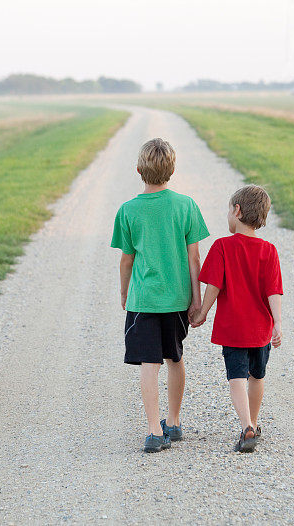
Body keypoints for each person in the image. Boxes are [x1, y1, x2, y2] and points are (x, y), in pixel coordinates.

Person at [111, 138, 210, 453]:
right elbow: (195, 259)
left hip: (144, 301)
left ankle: (155, 431)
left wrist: (125, 292)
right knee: (175, 357)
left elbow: (126, 260)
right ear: (172, 170)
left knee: (149, 364)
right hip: (177, 300)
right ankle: (174, 421)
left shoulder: (127, 210)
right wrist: (197, 300)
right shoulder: (186, 206)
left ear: (138, 170)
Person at [191, 185, 283, 453]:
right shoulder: (269, 250)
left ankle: (247, 427)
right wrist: (277, 322)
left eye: (229, 210)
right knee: (256, 376)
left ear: (237, 210)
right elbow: (273, 290)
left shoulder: (222, 246)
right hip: (260, 330)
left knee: (237, 379)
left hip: (233, 329)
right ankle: (253, 422)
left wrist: (202, 312)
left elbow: (214, 286)